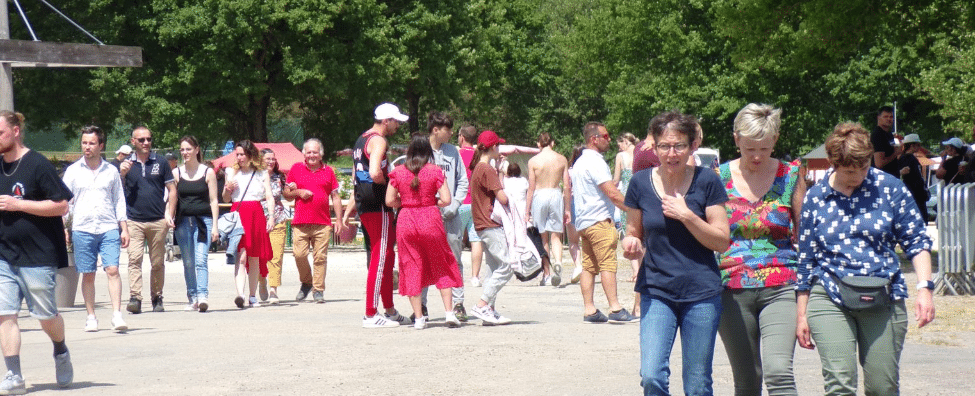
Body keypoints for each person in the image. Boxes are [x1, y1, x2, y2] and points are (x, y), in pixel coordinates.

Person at [796, 122, 935, 396]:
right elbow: (806, 259)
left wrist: (924, 288)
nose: (858, 175)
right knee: (840, 384)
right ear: (833, 163)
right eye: (850, 170)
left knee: (882, 387)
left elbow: (916, 240)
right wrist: (801, 314)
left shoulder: (890, 188)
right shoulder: (815, 198)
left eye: (864, 167)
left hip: (883, 294)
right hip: (830, 294)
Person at [620, 110, 730, 395]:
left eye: (679, 145)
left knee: (697, 384)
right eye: (664, 146)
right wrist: (631, 243)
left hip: (701, 293)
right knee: (652, 376)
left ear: (692, 146)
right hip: (657, 289)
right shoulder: (640, 183)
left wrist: (688, 216)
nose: (672, 153)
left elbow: (721, 241)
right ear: (653, 147)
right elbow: (633, 231)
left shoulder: (707, 181)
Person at [717, 104, 805, 395]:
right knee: (747, 378)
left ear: (776, 141)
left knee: (779, 371)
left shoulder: (791, 175)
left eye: (765, 149)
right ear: (736, 140)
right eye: (749, 148)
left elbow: (805, 233)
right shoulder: (717, 178)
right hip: (731, 286)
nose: (756, 156)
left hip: (782, 283)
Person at [0, 110, 74, 392]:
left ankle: (60, 349)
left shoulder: (37, 164)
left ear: (16, 131)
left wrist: (20, 205)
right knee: (5, 313)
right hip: (4, 253)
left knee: (45, 315)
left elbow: (61, 205)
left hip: (38, 254)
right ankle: (14, 375)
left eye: (0, 133)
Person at [386, 134, 464, 329]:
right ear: (428, 152)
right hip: (430, 218)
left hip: (406, 219)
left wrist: (405, 203)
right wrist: (430, 202)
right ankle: (448, 313)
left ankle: (419, 318)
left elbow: (389, 201)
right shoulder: (435, 171)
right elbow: (446, 200)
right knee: (441, 263)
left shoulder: (398, 171)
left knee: (411, 266)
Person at [62, 125, 130, 331]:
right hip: (82, 228)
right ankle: (91, 316)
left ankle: (117, 314)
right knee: (88, 273)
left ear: (101, 145)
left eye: (92, 143)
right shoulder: (73, 171)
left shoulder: (111, 171)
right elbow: (65, 202)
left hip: (108, 226)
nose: (87, 147)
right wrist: (65, 227)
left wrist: (124, 227)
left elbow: (119, 200)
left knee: (113, 269)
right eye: (84, 143)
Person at [569, 122, 637, 323]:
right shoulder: (596, 162)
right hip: (599, 220)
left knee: (588, 266)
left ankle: (589, 309)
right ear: (594, 139)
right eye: (605, 136)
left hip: (584, 221)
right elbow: (612, 193)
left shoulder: (580, 162)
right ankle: (615, 308)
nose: (608, 139)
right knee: (607, 263)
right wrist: (634, 209)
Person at [354, 103, 411, 328]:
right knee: (380, 258)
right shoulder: (379, 140)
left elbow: (357, 177)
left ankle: (389, 309)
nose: (398, 125)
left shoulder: (361, 139)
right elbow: (375, 172)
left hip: (365, 202)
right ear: (386, 121)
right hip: (377, 203)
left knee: (386, 257)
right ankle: (370, 313)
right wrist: (392, 184)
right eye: (396, 121)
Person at [120, 126, 176, 313]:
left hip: (158, 220)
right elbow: (116, 192)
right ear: (133, 141)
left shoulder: (161, 162)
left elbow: (172, 190)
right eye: (141, 140)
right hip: (134, 220)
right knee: (134, 259)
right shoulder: (126, 164)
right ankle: (135, 297)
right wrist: (121, 174)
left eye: (148, 139)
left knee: (157, 262)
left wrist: (170, 213)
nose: (146, 143)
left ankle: (157, 297)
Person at [421, 112, 469, 321]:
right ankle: (421, 305)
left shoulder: (453, 152)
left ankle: (458, 303)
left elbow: (462, 182)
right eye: (448, 129)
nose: (451, 133)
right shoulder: (422, 150)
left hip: (451, 216)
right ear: (435, 130)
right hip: (428, 215)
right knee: (424, 260)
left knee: (454, 259)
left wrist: (455, 204)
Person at [284, 139, 345, 304]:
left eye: (315, 152)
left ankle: (318, 290)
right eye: (309, 152)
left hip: (322, 223)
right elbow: (286, 193)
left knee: (320, 257)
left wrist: (339, 220)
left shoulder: (329, 171)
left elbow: (336, 196)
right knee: (299, 254)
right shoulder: (296, 169)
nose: (312, 155)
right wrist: (299, 191)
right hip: (300, 223)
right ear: (304, 153)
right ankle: (306, 282)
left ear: (321, 154)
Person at [468, 130, 514, 325]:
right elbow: (503, 198)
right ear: (494, 147)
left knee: (493, 268)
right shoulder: (487, 169)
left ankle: (489, 311)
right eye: (499, 146)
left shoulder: (478, 167)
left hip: (481, 223)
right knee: (507, 265)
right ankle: (482, 304)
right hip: (490, 223)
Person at [169, 136, 219, 312]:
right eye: (182, 149)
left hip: (203, 221)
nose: (185, 153)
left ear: (197, 150)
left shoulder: (208, 172)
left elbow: (213, 201)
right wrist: (169, 215)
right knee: (188, 262)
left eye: (188, 149)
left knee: (200, 260)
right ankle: (193, 297)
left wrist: (215, 226)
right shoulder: (176, 173)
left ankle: (203, 295)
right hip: (182, 222)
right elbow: (171, 198)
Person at [222, 140, 274, 308]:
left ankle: (252, 295)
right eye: (237, 154)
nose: (239, 157)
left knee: (254, 256)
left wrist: (271, 216)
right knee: (241, 256)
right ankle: (240, 294)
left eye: (242, 154)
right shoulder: (230, 172)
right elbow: (225, 199)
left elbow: (269, 196)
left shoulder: (261, 173)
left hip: (256, 212)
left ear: (250, 155)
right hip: (238, 213)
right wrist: (227, 188)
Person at [526, 132, 569, 286]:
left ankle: (547, 274)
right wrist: (568, 209)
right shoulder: (561, 159)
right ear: (553, 143)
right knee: (556, 235)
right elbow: (567, 185)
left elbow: (531, 188)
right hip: (556, 193)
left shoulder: (533, 161)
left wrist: (527, 211)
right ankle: (558, 261)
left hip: (540, 194)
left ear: (538, 144)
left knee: (542, 236)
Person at [613, 132, 640, 314]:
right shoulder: (640, 153)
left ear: (624, 142)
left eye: (619, 143)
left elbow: (616, 179)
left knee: (629, 232)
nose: (619, 147)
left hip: (627, 197)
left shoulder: (620, 157)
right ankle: (639, 269)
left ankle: (635, 270)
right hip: (641, 193)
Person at [457, 124, 485, 287]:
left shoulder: (456, 154)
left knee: (455, 240)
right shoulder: (479, 155)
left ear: (462, 137)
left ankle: (456, 274)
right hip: (475, 203)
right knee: (476, 240)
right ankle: (475, 276)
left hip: (459, 202)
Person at [261, 148, 290, 304]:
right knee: (260, 256)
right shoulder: (255, 176)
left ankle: (273, 290)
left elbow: (287, 194)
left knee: (276, 256)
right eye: (267, 159)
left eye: (273, 158)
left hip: (278, 219)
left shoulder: (280, 177)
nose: (271, 161)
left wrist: (292, 189)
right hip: (258, 220)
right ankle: (260, 281)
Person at [898, 134, 929, 221]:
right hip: (915, 194)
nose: (919, 147)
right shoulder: (908, 158)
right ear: (912, 145)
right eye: (918, 145)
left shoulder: (906, 158)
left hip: (914, 194)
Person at [871, 106, 902, 176]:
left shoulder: (889, 134)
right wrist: (896, 153)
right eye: (885, 117)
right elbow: (879, 163)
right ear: (878, 118)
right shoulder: (878, 135)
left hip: (892, 177)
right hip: (882, 179)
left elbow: (895, 154)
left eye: (891, 117)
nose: (889, 119)